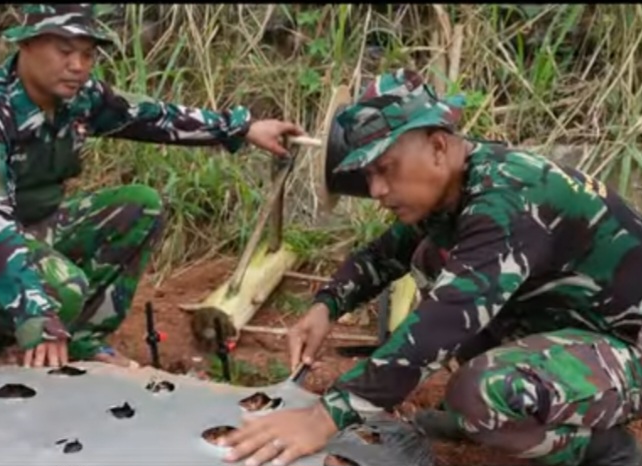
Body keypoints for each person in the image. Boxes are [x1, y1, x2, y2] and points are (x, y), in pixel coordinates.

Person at [219, 68, 642, 466]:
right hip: (572, 325)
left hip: (627, 347)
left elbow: (444, 320)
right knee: (427, 256)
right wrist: (326, 306)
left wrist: (325, 417)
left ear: (438, 147)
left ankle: (604, 449)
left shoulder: (510, 199)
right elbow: (382, 255)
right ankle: (487, 415)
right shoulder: (459, 185)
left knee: (482, 393)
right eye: (368, 176)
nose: (377, 190)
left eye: (385, 169)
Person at [0, 3, 305, 369]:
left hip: (33, 225)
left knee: (140, 206)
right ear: (26, 43)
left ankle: (82, 337)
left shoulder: (79, 98)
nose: (78, 65)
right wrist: (35, 312)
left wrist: (244, 128)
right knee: (62, 286)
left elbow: (151, 117)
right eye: (65, 51)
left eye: (87, 53)